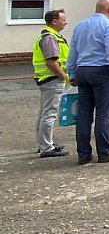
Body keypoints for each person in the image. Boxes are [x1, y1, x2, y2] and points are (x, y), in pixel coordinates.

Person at [67, 0, 109, 164]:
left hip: (82, 71)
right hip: (102, 71)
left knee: (84, 114)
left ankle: (83, 154)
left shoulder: (80, 25)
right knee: (103, 114)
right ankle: (105, 152)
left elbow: (73, 51)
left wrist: (71, 72)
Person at [32, 9, 70, 158]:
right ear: (54, 22)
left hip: (47, 79)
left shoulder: (50, 36)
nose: (65, 22)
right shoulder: (50, 37)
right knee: (49, 113)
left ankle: (44, 144)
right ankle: (46, 147)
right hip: (52, 79)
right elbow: (51, 62)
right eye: (63, 20)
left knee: (44, 112)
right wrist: (63, 77)